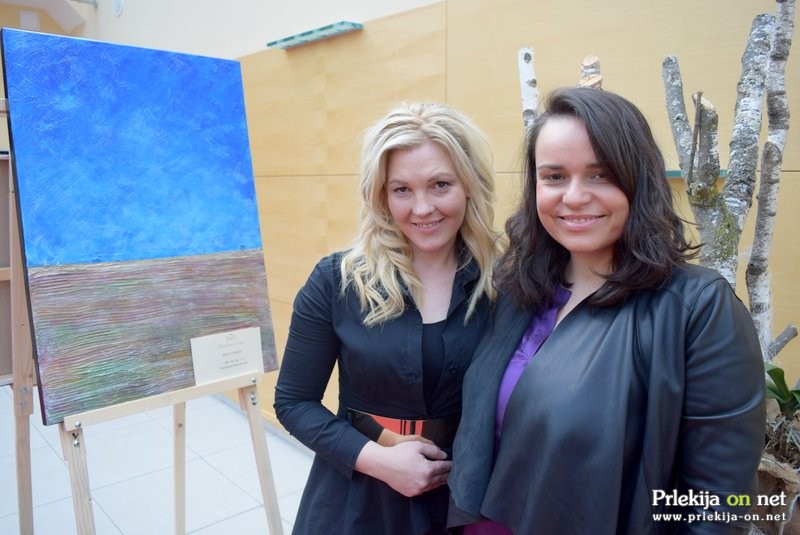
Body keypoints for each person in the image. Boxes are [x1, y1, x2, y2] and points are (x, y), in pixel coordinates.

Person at [447, 87, 765, 533]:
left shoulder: (695, 308)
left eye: (599, 175)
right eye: (554, 177)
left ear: (638, 180)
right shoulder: (518, 290)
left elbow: (721, 504)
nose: (574, 197)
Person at [274, 101, 501, 534]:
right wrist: (381, 462)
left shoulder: (503, 283)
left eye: (440, 185)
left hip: (466, 499)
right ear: (381, 194)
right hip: (359, 497)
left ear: (469, 185)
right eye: (402, 190)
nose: (422, 208)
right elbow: (294, 402)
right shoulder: (337, 281)